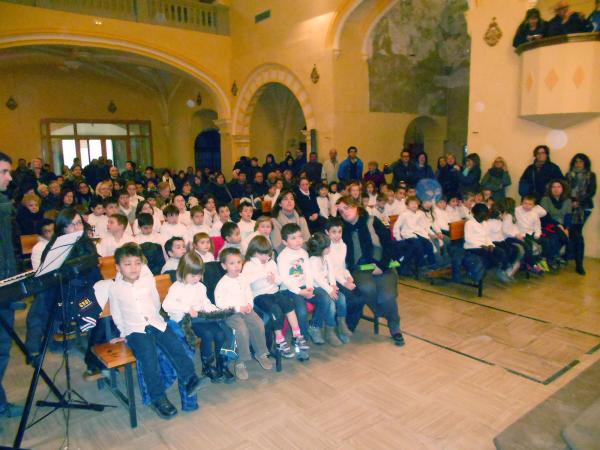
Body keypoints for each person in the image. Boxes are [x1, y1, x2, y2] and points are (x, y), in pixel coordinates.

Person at [106, 243, 204, 419]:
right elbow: (117, 313)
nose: (133, 268)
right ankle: (158, 398)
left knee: (175, 345)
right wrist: (123, 333)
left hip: (156, 323)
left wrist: (158, 320)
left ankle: (190, 379)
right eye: (127, 264)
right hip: (135, 330)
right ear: (118, 267)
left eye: (137, 263)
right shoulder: (114, 288)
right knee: (149, 358)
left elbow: (155, 301)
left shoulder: (147, 281)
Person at [335, 196, 404, 346]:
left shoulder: (372, 221)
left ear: (356, 206)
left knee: (387, 296)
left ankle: (394, 326)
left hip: (382, 264)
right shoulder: (341, 229)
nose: (344, 213)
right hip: (360, 269)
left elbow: (389, 244)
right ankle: (380, 311)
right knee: (367, 288)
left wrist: (383, 265)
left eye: (346, 208)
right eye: (340, 211)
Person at [162, 252, 234, 384]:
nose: (197, 278)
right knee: (207, 334)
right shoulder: (176, 287)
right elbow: (166, 305)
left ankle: (222, 364)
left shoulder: (201, 287)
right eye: (193, 275)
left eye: (199, 275)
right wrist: (187, 308)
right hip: (185, 321)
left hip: (200, 318)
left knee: (219, 333)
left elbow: (205, 304)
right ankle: (207, 367)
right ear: (183, 271)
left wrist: (216, 311)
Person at [242, 235, 309, 360]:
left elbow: (279, 280)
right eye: (263, 255)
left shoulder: (271, 262)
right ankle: (280, 341)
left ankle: (297, 335)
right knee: (276, 310)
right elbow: (246, 281)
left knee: (288, 305)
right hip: (260, 296)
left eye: (268, 254)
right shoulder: (249, 265)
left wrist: (275, 279)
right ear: (255, 252)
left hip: (274, 292)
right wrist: (261, 273)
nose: (267, 257)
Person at [214, 248, 273, 380]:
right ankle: (241, 361)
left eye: (239, 262)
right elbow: (220, 303)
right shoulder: (222, 283)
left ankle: (260, 353)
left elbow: (248, 293)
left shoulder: (243, 278)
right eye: (232, 263)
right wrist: (237, 308)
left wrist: (249, 306)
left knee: (258, 324)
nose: (236, 266)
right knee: (242, 330)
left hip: (246, 309)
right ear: (224, 266)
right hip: (231, 313)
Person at [276, 223, 333, 345]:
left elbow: (308, 272)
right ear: (285, 242)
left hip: (305, 286)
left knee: (325, 299)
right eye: (293, 238)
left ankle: (314, 326)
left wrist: (310, 287)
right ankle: (302, 337)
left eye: (300, 236)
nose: (298, 240)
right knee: (301, 311)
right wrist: (300, 292)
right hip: (289, 289)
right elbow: (285, 279)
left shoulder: (303, 253)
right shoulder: (283, 257)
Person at [0, 151, 23, 418]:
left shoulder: (4, 205)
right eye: (4, 172)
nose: (10, 176)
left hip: (4, 287)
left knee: (2, 350)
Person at [307, 232, 352, 346]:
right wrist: (329, 289)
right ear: (319, 249)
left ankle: (342, 325)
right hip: (316, 287)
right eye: (327, 247)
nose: (329, 248)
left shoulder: (326, 256)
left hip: (326, 286)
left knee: (341, 298)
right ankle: (328, 330)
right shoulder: (313, 260)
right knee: (331, 304)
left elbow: (331, 270)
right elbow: (317, 279)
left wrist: (332, 284)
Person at [464, 203, 511, 283]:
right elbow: (469, 239)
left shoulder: (485, 223)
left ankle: (502, 270)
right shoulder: (469, 223)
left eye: (485, 214)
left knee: (500, 252)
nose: (484, 216)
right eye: (482, 214)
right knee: (489, 255)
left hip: (485, 246)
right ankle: (478, 275)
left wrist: (490, 244)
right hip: (473, 247)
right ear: (476, 214)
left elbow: (487, 236)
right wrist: (481, 245)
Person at [566, 153, 596, 275]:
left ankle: (579, 263)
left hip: (584, 208)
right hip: (570, 207)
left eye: (581, 161)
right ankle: (571, 255)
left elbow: (592, 191)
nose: (578, 163)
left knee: (577, 233)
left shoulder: (591, 175)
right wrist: (572, 202)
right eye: (576, 161)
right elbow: (564, 189)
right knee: (571, 232)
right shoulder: (568, 175)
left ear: (585, 163)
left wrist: (579, 202)